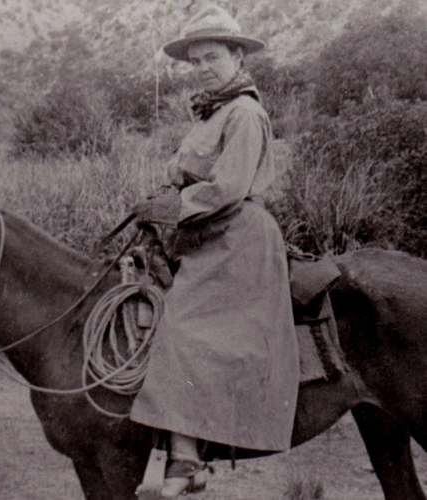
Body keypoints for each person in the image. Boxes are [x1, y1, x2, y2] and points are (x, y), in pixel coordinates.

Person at [131, 5, 299, 498]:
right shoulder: (213, 111)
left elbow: (227, 187)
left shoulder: (245, 113)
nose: (203, 67)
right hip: (205, 234)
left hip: (236, 238)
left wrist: (172, 206)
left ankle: (186, 464)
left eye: (213, 57)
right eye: (196, 60)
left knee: (183, 325)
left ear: (238, 56)